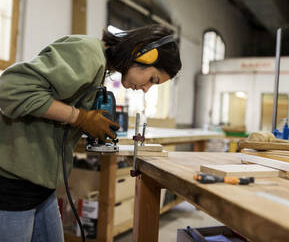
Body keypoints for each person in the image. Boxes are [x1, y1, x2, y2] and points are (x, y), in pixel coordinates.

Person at [0, 24, 182, 241]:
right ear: (142, 52)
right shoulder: (88, 53)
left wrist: (86, 124)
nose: (146, 88)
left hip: (41, 187)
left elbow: (50, 107)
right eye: (152, 79)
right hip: (13, 186)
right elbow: (10, 89)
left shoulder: (100, 68)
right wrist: (80, 118)